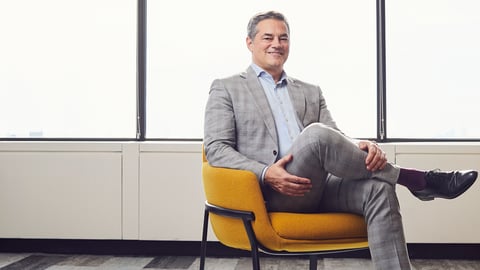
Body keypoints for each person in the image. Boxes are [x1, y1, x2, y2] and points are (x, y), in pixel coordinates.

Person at [203, 10, 477, 270]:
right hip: (273, 193)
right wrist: (265, 173)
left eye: (283, 38)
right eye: (268, 37)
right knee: (315, 133)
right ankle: (416, 179)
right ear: (249, 42)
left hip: (319, 187)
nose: (277, 44)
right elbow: (216, 149)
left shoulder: (310, 91)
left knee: (379, 190)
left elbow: (335, 139)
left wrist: (362, 144)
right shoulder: (227, 87)